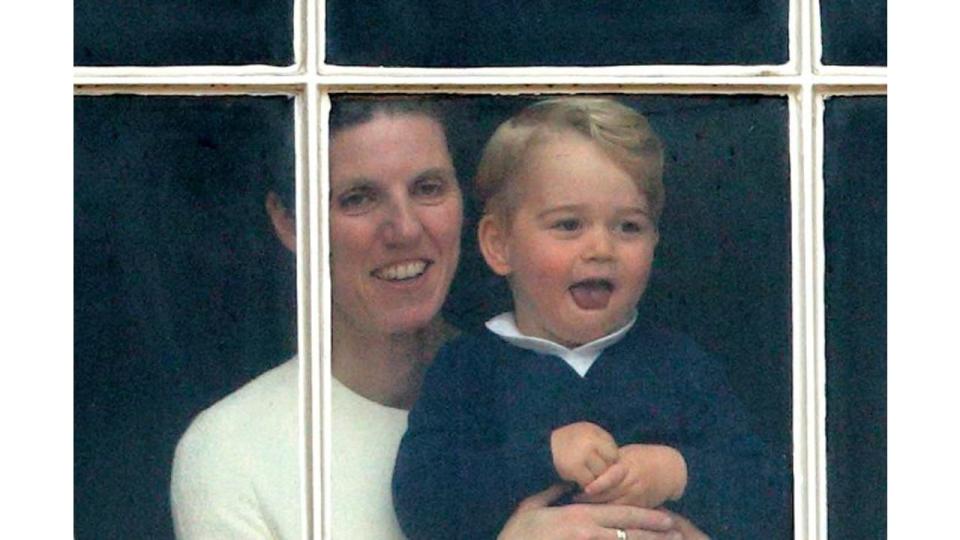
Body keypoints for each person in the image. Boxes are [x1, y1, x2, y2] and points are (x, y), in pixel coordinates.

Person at [171, 97, 709, 539]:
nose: (404, 229)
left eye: (428, 189)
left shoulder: (569, 372)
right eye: (358, 199)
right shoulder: (233, 451)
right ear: (289, 222)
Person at [393, 97, 789, 539]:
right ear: (499, 244)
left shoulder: (680, 365)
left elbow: (769, 493)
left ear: (655, 241)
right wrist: (543, 456)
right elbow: (422, 498)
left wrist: (677, 471)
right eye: (568, 225)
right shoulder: (468, 369)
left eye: (628, 227)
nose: (601, 249)